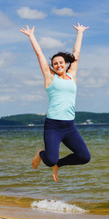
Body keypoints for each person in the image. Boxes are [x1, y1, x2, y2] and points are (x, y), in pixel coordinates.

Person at [20, 23, 91, 181]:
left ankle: (59, 164)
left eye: (61, 62)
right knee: (49, 159)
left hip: (69, 127)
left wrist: (80, 33)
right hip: (53, 126)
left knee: (84, 157)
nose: (58, 65)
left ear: (66, 63)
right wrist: (32, 36)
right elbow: (40, 56)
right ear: (52, 66)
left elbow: (76, 54)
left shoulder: (72, 74)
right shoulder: (50, 77)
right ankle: (40, 154)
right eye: (55, 63)